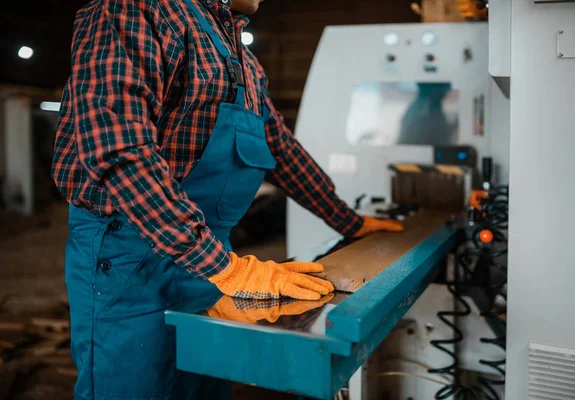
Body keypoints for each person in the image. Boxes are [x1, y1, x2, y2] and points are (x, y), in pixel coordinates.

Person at [51, 0, 404, 398]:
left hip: (213, 259)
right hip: (131, 258)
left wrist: (348, 221)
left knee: (205, 384)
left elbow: (280, 150)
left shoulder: (243, 61)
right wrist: (225, 268)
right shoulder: (135, 10)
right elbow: (117, 148)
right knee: (134, 385)